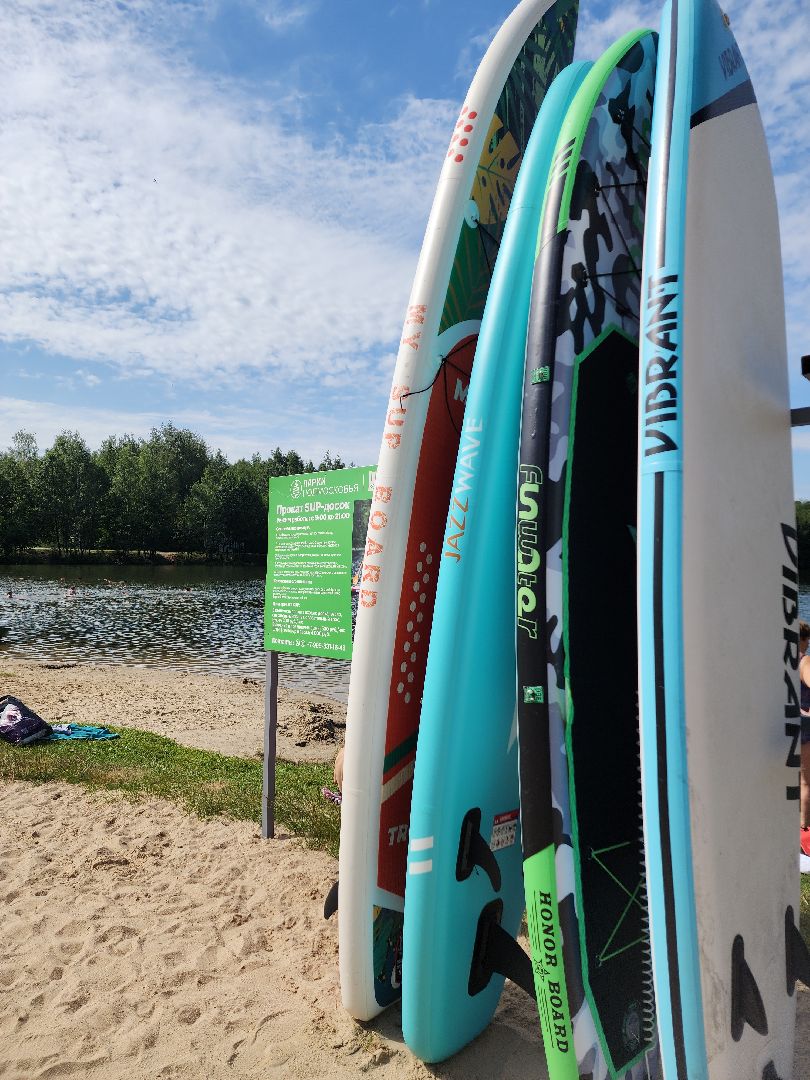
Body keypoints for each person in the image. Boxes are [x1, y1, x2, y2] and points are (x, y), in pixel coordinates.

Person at [799, 622, 810, 871]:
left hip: (784, 724)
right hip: (805, 725)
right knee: (806, 780)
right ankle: (804, 832)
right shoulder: (804, 661)